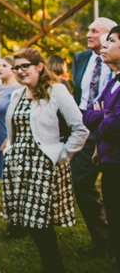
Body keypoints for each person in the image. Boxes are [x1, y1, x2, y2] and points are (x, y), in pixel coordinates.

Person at [1, 48, 89, 272]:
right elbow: (16, 127)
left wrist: (62, 154)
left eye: (24, 66)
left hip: (43, 165)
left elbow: (80, 128)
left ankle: (54, 266)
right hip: (18, 165)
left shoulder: (56, 90)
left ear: (39, 67)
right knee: (26, 221)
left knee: (39, 222)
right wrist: (9, 147)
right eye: (16, 67)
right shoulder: (17, 94)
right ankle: (52, 265)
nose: (20, 71)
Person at [72, 17, 117, 257]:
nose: (88, 34)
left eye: (94, 30)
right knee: (80, 182)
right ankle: (102, 239)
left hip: (113, 129)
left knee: (113, 187)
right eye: (87, 29)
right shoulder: (80, 59)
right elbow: (78, 93)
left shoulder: (116, 63)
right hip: (85, 128)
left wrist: (102, 118)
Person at [84, 25, 120, 271]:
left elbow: (115, 124)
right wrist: (104, 115)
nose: (104, 46)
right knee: (114, 218)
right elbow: (89, 114)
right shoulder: (113, 82)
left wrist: (103, 116)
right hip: (110, 161)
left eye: (112, 41)